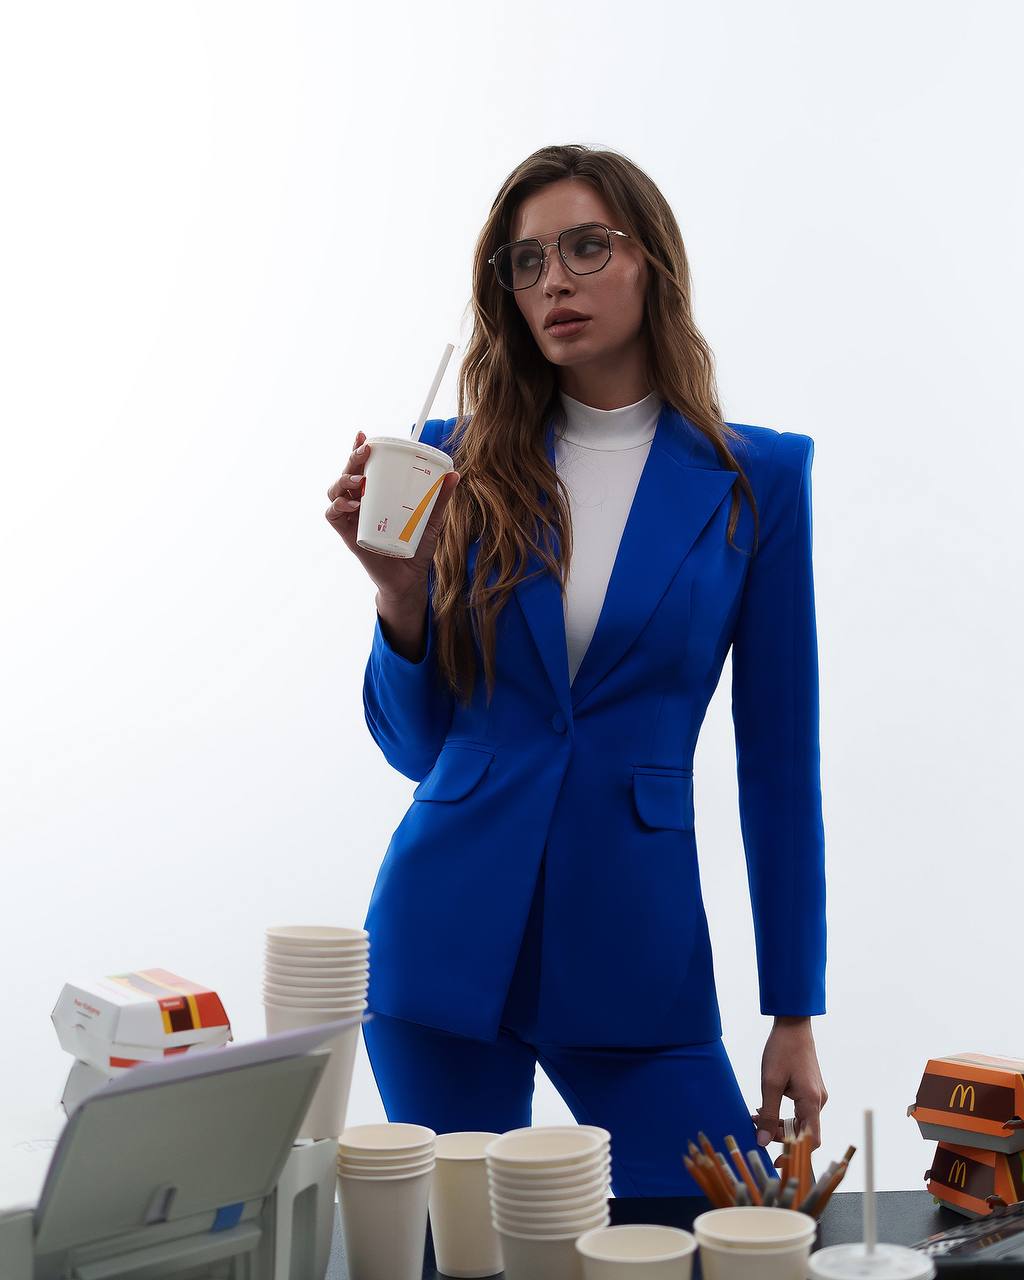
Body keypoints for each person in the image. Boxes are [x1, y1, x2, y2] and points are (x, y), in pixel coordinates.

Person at [325, 143, 828, 1197]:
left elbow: (778, 766)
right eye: (524, 261)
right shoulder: (448, 458)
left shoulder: (757, 479)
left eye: (585, 247)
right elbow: (418, 748)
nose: (553, 278)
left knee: (720, 1235)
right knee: (454, 1257)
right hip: (443, 933)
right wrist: (397, 597)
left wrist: (794, 1007)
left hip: (636, 948)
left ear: (651, 263)